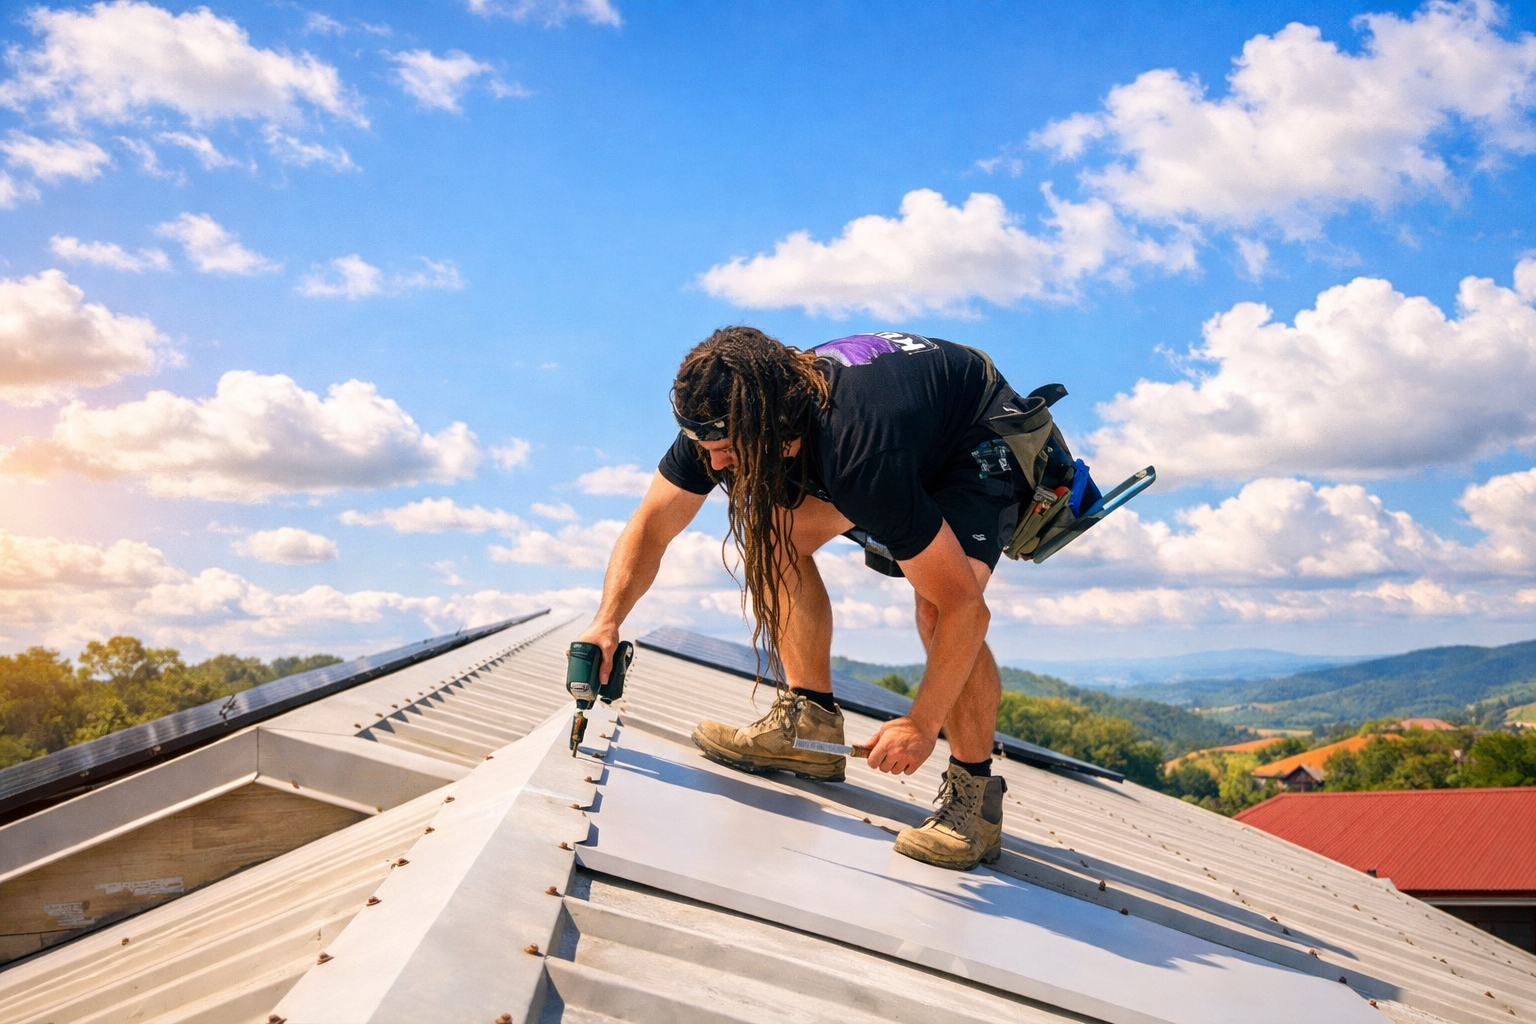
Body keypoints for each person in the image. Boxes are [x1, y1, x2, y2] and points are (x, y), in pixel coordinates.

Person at [572, 325, 1028, 871]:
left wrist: (921, 722)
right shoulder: (725, 413)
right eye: (704, 449)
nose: (714, 465)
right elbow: (651, 524)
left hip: (974, 433)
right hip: (899, 428)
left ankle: (976, 799)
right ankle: (810, 718)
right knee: (769, 530)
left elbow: (965, 611)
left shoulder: (859, 449)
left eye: (725, 450)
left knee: (936, 605)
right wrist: (606, 621)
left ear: (774, 426)